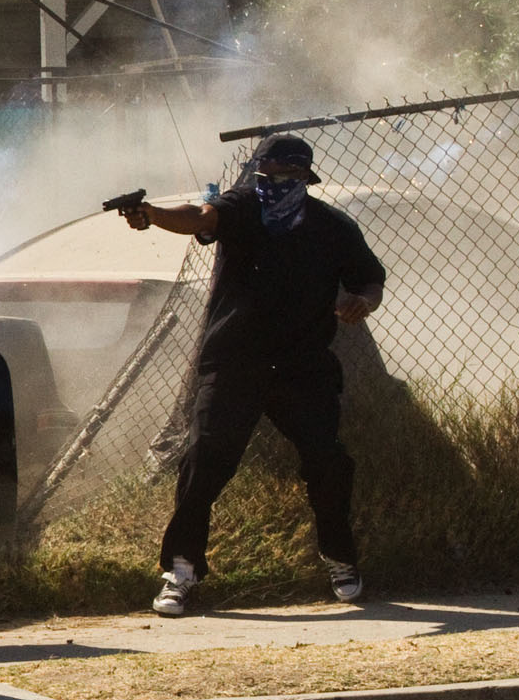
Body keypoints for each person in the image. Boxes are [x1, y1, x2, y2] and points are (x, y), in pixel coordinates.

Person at [118, 134, 386, 618]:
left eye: (287, 178)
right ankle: (181, 570)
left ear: (305, 178)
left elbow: (371, 278)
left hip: (303, 366)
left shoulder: (331, 227)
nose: (275, 187)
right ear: (255, 175)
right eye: (267, 177)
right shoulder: (242, 206)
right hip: (235, 361)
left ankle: (340, 559)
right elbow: (200, 217)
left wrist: (362, 301)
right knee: (204, 460)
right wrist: (153, 215)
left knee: (328, 461)